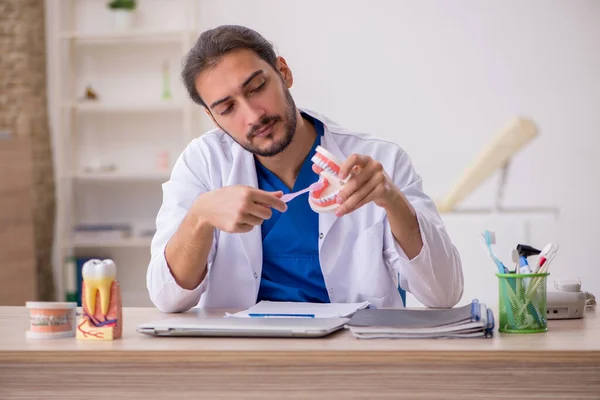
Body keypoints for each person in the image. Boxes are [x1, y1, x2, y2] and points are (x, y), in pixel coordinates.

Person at [146, 25, 463, 313]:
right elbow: (168, 299)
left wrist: (393, 201)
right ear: (213, 118)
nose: (253, 115)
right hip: (243, 360)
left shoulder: (381, 160)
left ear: (283, 72)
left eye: (257, 87)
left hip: (354, 358)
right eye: (227, 108)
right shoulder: (203, 164)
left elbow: (444, 294)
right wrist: (200, 217)